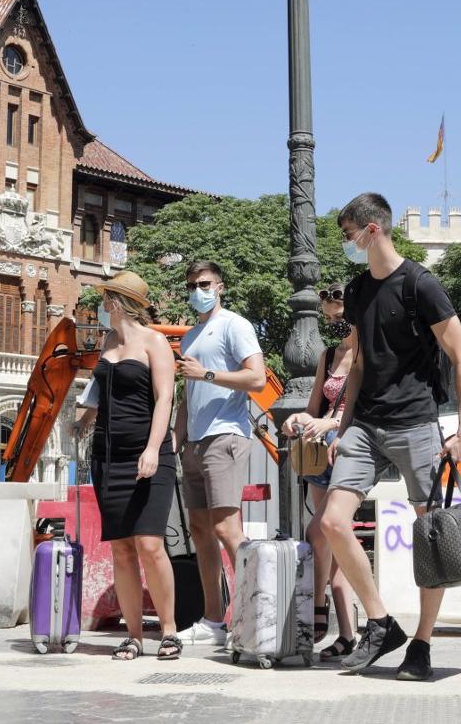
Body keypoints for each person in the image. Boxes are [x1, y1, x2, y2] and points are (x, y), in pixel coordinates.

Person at [318, 192, 461, 681]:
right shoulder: (359, 288)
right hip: (365, 423)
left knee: (430, 538)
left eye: (348, 234)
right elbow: (361, 364)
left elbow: (460, 355)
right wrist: (341, 429)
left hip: (415, 423)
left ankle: (422, 644)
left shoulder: (420, 285)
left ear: (372, 230)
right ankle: (381, 623)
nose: (346, 243)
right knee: (332, 522)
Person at [75, 271, 182, 661]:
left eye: (105, 299)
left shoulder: (155, 343)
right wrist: (83, 421)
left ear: (117, 302)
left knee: (150, 544)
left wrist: (153, 448)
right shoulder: (108, 341)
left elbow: (165, 398)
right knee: (121, 548)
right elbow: (103, 394)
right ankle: (134, 635)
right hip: (107, 457)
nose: (102, 306)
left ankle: (168, 631)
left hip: (147, 454)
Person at [173, 260, 267, 646]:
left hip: (225, 436)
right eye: (193, 284)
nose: (199, 290)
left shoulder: (234, 325)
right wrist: (174, 441)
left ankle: (256, 616)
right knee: (199, 531)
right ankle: (214, 620)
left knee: (229, 529)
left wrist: (207, 374)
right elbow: (187, 395)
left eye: (205, 283)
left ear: (220, 286)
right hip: (194, 442)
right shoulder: (189, 336)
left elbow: (258, 378)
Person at [280, 282, 358, 660]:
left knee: (322, 530)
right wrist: (300, 417)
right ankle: (346, 631)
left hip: (349, 454)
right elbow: (314, 407)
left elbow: (363, 406)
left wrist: (332, 424)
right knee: (328, 541)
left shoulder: (366, 354)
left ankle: (319, 607)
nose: (334, 324)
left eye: (339, 317)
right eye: (328, 319)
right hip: (319, 459)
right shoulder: (328, 357)